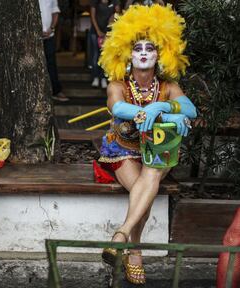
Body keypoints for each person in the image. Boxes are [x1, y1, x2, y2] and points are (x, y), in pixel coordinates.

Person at [98, 5, 197, 285]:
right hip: (123, 150)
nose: (143, 52)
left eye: (150, 47)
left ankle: (121, 235)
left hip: (157, 151)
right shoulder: (117, 84)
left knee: (152, 171)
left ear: (162, 53)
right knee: (146, 188)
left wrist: (163, 106)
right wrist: (156, 113)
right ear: (126, 53)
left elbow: (190, 109)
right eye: (137, 47)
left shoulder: (168, 85)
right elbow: (118, 108)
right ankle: (135, 250)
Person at [38, 0, 69, 102]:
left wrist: (51, 28)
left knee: (51, 63)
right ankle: (38, 94)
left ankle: (56, 91)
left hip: (49, 35)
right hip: (34, 37)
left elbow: (55, 12)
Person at [89, 0, 121, 88]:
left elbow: (117, 12)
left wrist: (113, 17)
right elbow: (92, 17)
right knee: (96, 55)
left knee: (106, 56)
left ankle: (103, 78)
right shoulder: (95, 2)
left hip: (109, 32)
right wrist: (98, 31)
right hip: (95, 31)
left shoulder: (115, 1)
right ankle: (95, 77)